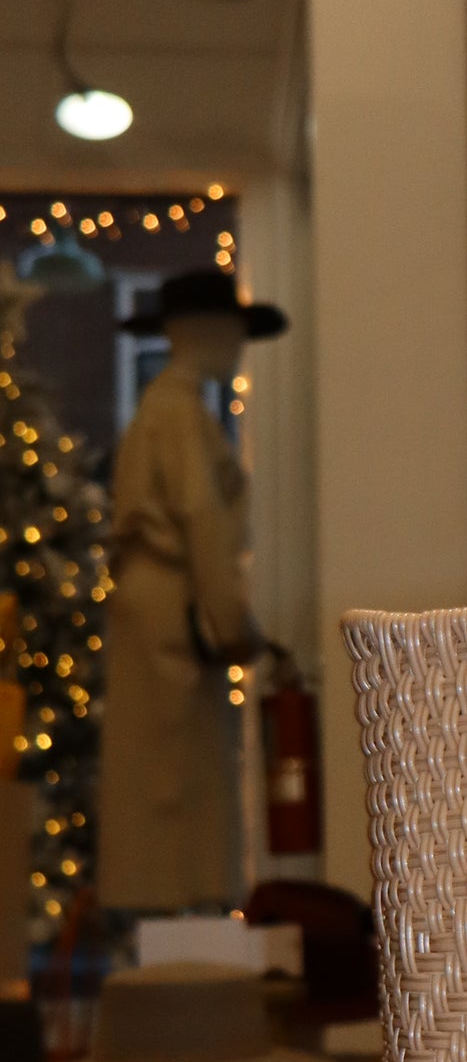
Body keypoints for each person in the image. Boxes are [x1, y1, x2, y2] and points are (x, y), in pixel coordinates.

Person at [97, 268, 288, 911]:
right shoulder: (177, 413)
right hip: (173, 605)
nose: (235, 347)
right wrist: (231, 622)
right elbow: (202, 520)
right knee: (173, 769)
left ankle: (177, 899)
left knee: (169, 763)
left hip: (163, 601)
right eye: (229, 332)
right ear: (200, 331)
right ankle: (176, 903)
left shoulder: (173, 409)